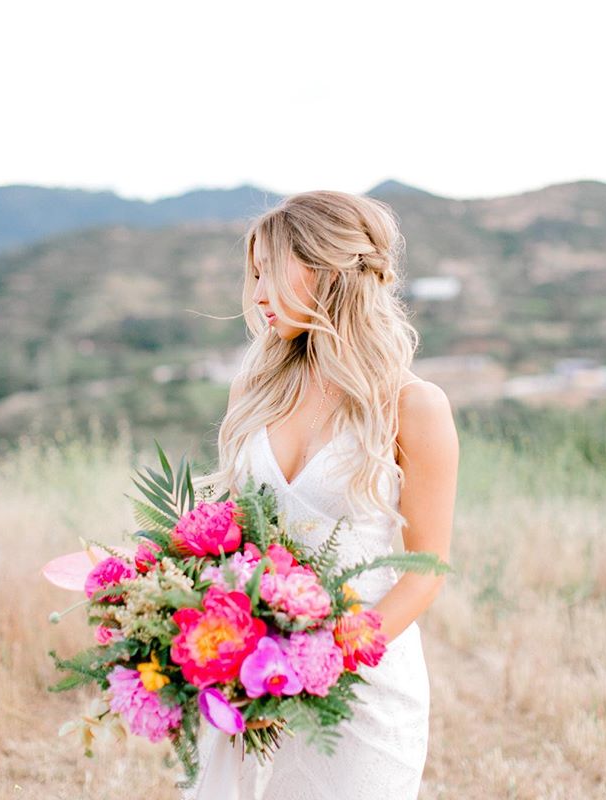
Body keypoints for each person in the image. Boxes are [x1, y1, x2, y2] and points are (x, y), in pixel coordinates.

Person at [191, 190, 459, 799]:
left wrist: (319, 665)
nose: (256, 294)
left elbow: (426, 570)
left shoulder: (412, 406)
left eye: (271, 271)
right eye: (252, 274)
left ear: (326, 270)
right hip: (249, 672)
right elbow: (231, 534)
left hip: (360, 683)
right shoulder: (253, 391)